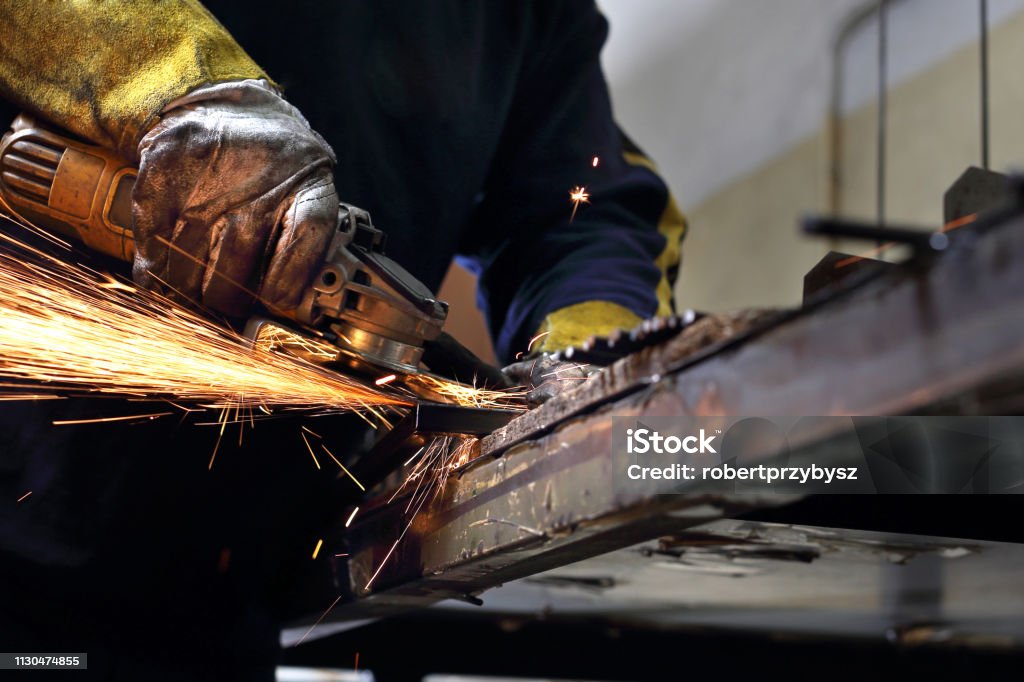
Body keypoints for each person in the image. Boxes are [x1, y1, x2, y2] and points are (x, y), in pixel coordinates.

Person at [0, 1, 685, 679]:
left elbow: (585, 211)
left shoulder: (531, 19)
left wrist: (587, 360)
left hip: (220, 604)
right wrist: (181, 88)